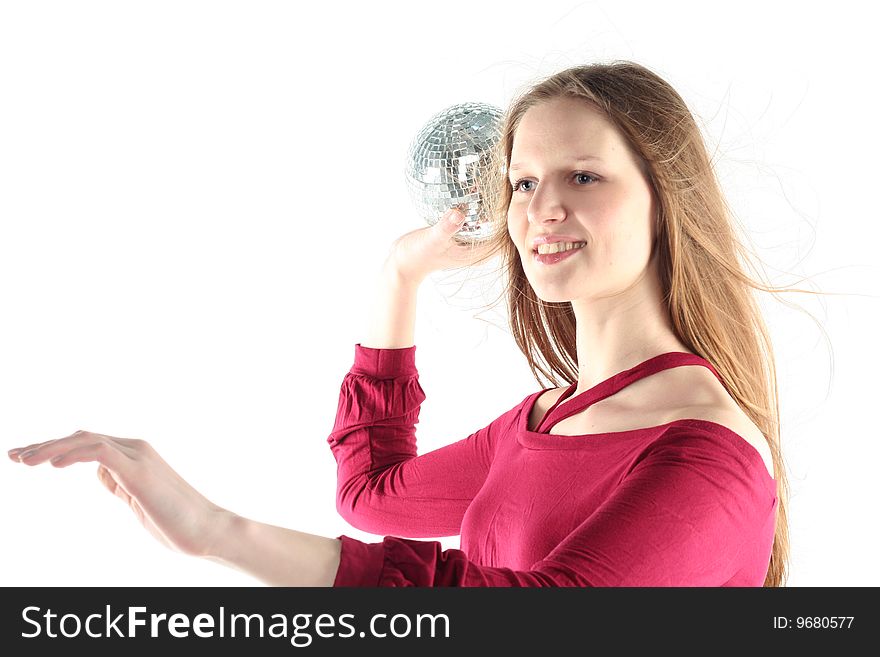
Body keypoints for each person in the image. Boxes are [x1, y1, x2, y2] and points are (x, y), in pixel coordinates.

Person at [7, 60, 790, 587]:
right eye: (522, 181)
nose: (541, 208)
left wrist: (228, 535)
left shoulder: (708, 454)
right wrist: (400, 275)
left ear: (666, 198)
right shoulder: (549, 418)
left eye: (584, 176)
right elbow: (372, 492)